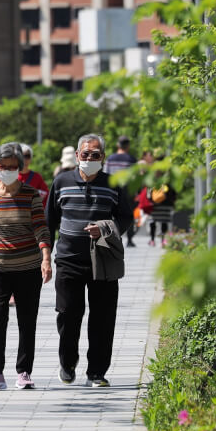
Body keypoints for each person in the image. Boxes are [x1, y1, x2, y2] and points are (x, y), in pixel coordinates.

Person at [45, 133, 133, 387]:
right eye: (86, 154)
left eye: (95, 155)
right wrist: (45, 257)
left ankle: (96, 372)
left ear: (103, 157)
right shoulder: (61, 182)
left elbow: (126, 217)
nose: (90, 158)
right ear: (77, 155)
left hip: (103, 259)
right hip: (68, 259)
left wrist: (105, 229)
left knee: (103, 318)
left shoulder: (114, 184)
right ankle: (67, 362)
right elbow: (49, 221)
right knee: (67, 314)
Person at [0, 142, 53, 390]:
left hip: (28, 266)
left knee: (27, 319)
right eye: (3, 166)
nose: (7, 170)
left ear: (19, 167)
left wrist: (46, 258)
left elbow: (41, 227)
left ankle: (24, 372)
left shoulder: (30, 194)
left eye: (12, 166)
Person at [104, 135, 138, 247]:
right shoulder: (132, 160)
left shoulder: (110, 159)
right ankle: (130, 239)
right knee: (129, 214)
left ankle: (113, 237)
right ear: (128, 146)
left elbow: (105, 175)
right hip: (128, 192)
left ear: (118, 145)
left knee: (112, 215)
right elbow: (135, 179)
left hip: (112, 192)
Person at [18, 143, 49, 209]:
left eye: (27, 156)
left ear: (31, 159)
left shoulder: (37, 177)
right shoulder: (10, 176)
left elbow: (46, 196)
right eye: (22, 156)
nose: (24, 159)